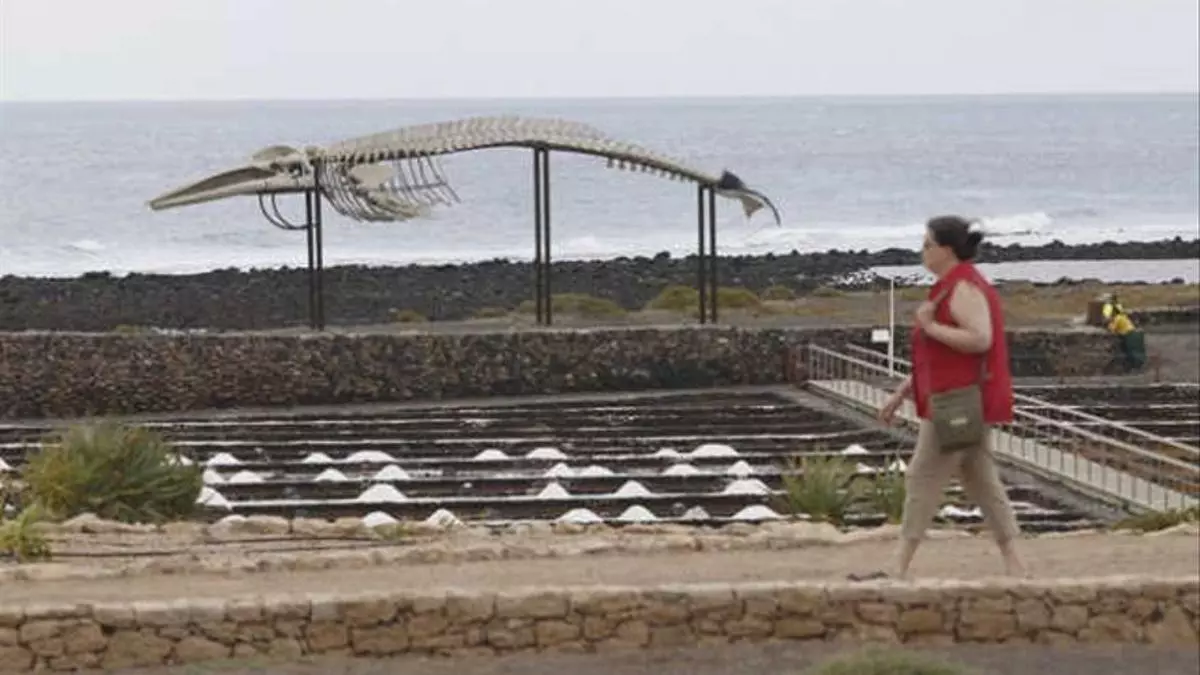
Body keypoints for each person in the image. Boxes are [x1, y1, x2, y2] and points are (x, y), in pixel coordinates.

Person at [878, 215, 1027, 579]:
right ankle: (1016, 563)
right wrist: (901, 393)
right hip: (955, 398)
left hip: (957, 401)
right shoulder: (948, 288)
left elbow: (980, 338)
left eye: (927, 244)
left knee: (922, 476)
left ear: (946, 249)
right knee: (980, 477)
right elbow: (935, 358)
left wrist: (930, 326)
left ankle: (898, 565)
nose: (922, 251)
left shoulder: (963, 288)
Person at [1099, 293, 1147, 371]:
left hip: (1129, 335)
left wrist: (1107, 323)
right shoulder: (1122, 316)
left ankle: (1135, 367)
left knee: (1131, 353)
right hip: (1131, 333)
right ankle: (1136, 367)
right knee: (1132, 352)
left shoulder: (1118, 318)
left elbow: (1112, 329)